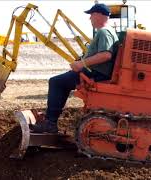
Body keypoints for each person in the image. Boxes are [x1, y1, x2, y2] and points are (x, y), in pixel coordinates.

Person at [30, 3, 119, 133]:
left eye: (91, 15)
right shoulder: (109, 31)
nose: (90, 19)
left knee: (56, 82)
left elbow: (106, 55)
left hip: (95, 74)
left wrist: (81, 64)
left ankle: (50, 122)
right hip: (95, 71)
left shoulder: (104, 32)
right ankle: (51, 119)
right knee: (63, 81)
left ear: (99, 15)